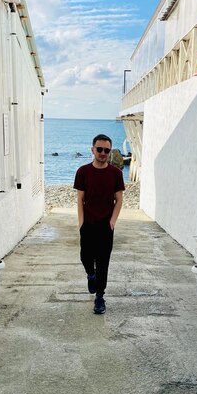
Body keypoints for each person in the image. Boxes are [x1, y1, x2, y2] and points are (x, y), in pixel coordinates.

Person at [74, 134, 125, 314]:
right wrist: (81, 223)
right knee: (85, 257)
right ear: (93, 150)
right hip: (88, 224)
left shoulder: (116, 173)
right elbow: (80, 200)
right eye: (100, 149)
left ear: (110, 152)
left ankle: (100, 297)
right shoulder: (83, 172)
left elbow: (119, 200)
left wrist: (112, 222)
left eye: (107, 150)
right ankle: (90, 274)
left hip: (105, 226)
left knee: (103, 262)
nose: (103, 153)